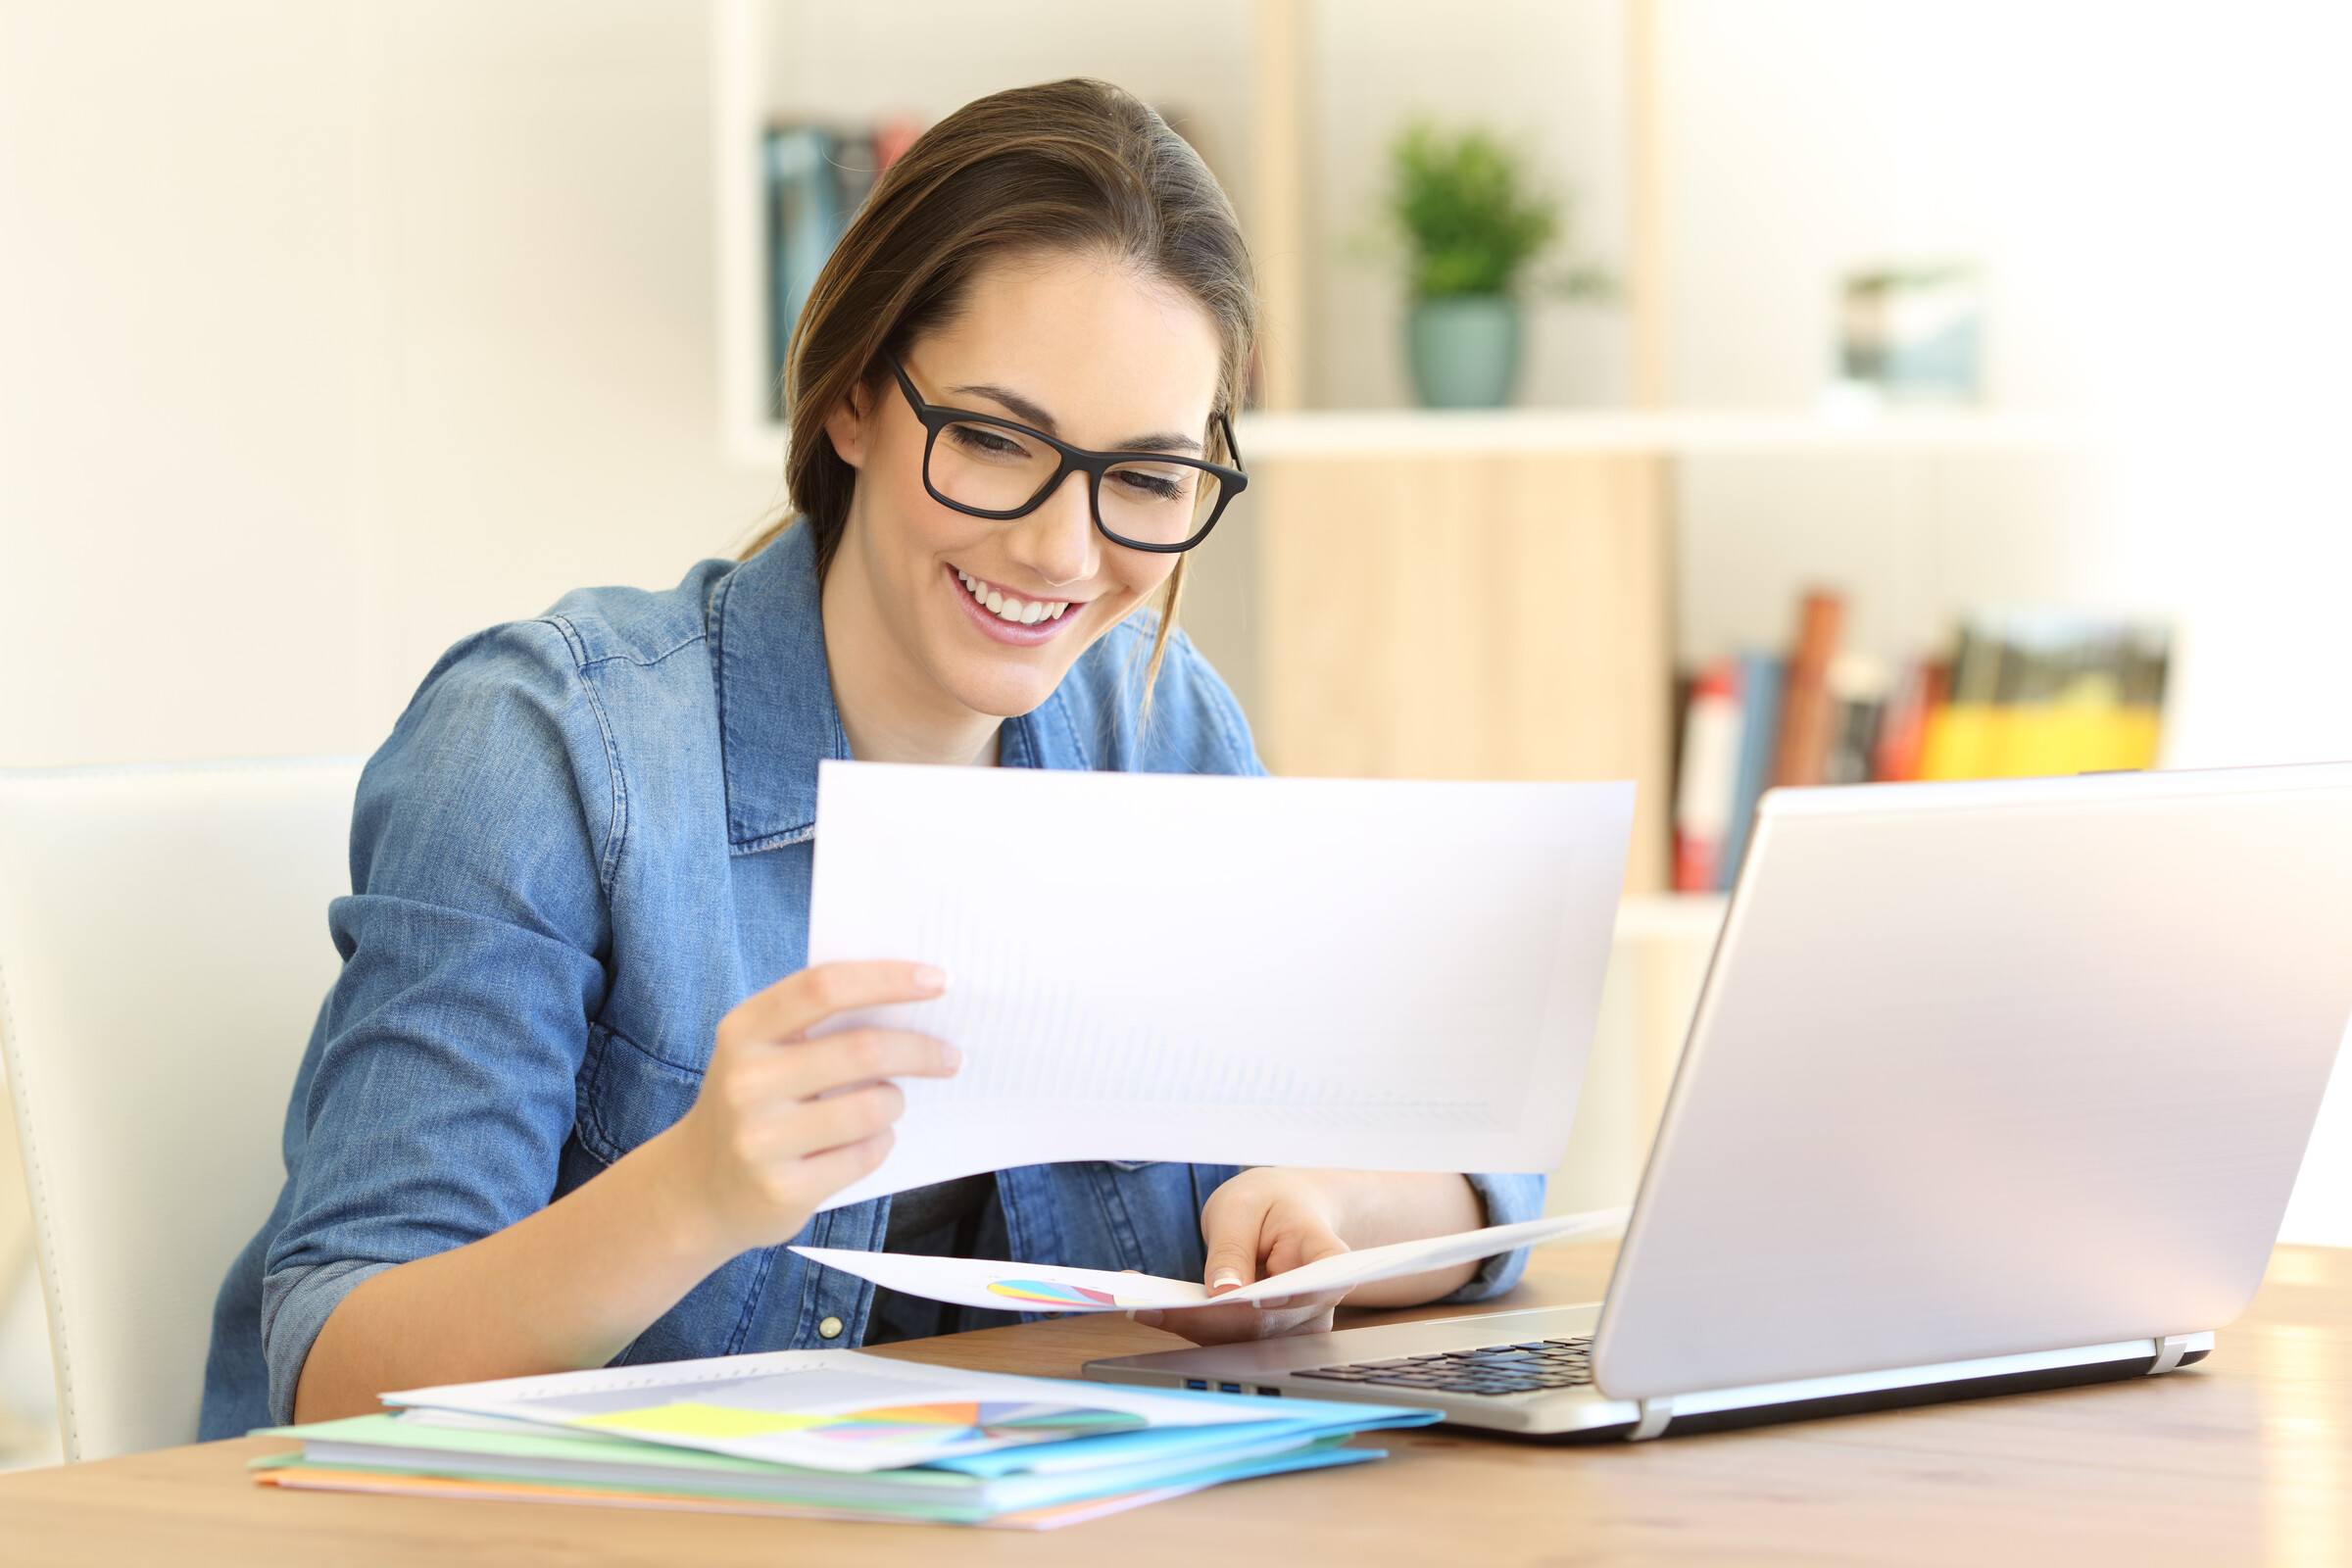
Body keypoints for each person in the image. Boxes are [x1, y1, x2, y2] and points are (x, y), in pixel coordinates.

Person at [199, 77, 1542, 1438]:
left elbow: (1478, 1169)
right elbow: (335, 1376)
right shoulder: (549, 751)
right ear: (852, 398)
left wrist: (1328, 1205)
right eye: (995, 441)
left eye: (1145, 478)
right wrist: (692, 1196)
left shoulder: (1161, 725)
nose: (1061, 554)